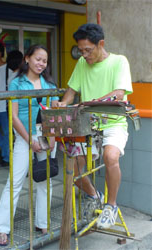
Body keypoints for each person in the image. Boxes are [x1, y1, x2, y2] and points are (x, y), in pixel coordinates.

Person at [55, 23, 133, 230]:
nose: (84, 55)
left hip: (113, 122)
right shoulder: (82, 63)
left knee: (111, 157)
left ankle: (111, 205)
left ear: (101, 44)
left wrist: (88, 103)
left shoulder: (119, 61)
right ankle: (93, 194)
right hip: (87, 124)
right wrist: (63, 103)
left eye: (88, 50)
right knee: (73, 169)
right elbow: (71, 91)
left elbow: (119, 94)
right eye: (81, 51)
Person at [0, 44, 59, 246]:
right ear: (28, 58)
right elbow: (13, 117)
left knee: (44, 181)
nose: (41, 63)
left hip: (47, 135)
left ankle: (42, 223)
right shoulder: (16, 84)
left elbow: (55, 115)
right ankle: (2, 228)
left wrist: (52, 139)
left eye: (45, 61)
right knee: (15, 181)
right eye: (38, 59)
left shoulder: (49, 84)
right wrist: (30, 140)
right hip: (24, 136)